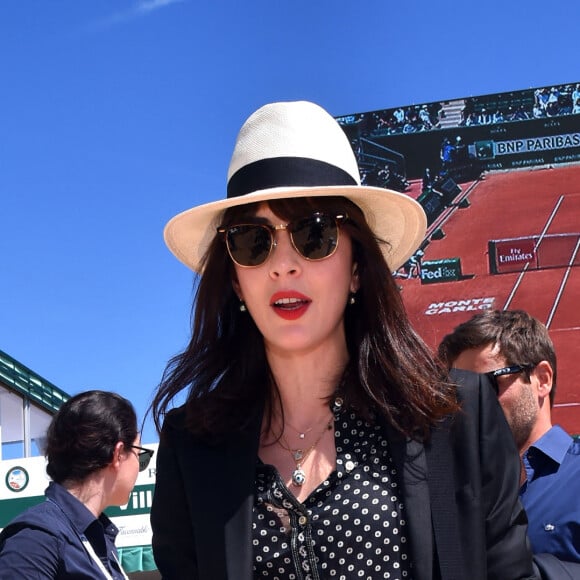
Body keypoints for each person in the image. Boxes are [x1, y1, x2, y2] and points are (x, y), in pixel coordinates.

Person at [149, 100, 538, 580]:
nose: (283, 265)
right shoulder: (191, 447)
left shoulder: (460, 417)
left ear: (356, 268)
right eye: (253, 240)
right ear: (234, 281)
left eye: (314, 235)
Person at [438, 309, 580, 564]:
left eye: (489, 384)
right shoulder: (449, 489)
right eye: (459, 393)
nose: (472, 403)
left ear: (542, 379)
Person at [0, 390, 154, 579]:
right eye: (140, 455)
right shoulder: (37, 539)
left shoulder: (97, 538)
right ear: (118, 454)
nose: (140, 466)